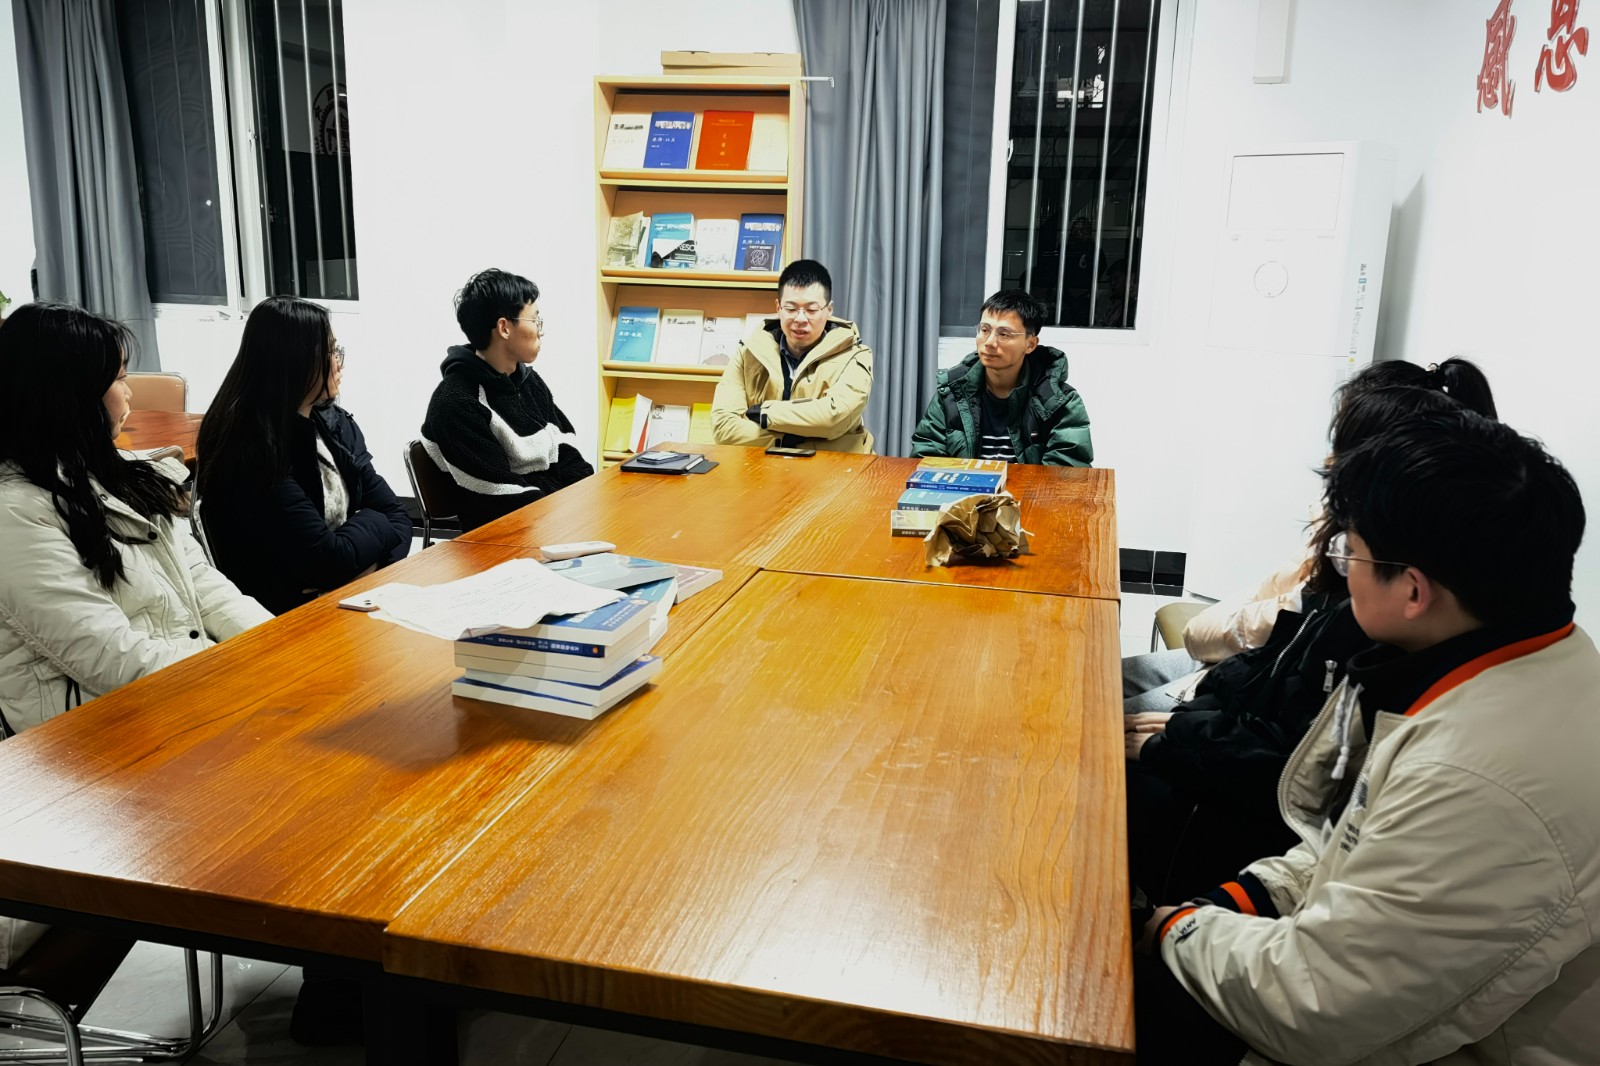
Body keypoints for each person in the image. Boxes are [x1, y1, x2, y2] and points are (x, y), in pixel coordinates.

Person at [1137, 410, 1600, 1066]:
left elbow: (1314, 1003)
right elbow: (1350, 849)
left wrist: (1170, 930)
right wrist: (1237, 902)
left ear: (1413, 590)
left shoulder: (1478, 777)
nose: (1342, 566)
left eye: (1350, 550)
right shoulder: (1499, 660)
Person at [0, 302, 271, 967]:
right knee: (311, 779)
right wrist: (237, 681)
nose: (130, 392)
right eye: (118, 378)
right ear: (69, 397)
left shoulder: (114, 474)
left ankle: (345, 984)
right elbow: (109, 658)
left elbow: (205, 585)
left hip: (165, 704)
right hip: (90, 748)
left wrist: (278, 651)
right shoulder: (15, 512)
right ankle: (344, 982)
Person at [1122, 357, 1498, 716]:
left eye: (1343, 447)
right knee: (1111, 683)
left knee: (1108, 713)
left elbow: (1292, 704)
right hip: (1249, 673)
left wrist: (1179, 731)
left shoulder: (1377, 580)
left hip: (1251, 683)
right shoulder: (1354, 535)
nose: (1330, 462)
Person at [196, 297, 410, 616]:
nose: (339, 363)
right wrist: (374, 525)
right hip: (284, 617)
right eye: (332, 352)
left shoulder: (333, 424)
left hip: (345, 597)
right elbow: (327, 560)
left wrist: (366, 571)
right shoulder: (252, 449)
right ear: (297, 360)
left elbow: (398, 516)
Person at [421, 268, 593, 532]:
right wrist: (566, 503)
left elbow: (569, 454)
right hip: (503, 538)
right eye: (534, 320)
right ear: (504, 328)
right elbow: (499, 496)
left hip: (553, 522)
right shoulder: (456, 402)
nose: (540, 331)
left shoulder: (528, 382)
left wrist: (580, 500)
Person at [910, 289, 1092, 465]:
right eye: (984, 330)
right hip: (964, 486)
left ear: (1030, 344)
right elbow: (926, 459)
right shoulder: (951, 393)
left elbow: (1066, 474)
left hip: (1028, 488)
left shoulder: (1058, 402)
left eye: (1003, 334)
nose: (989, 342)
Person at [711, 259, 875, 453]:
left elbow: (833, 419)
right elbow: (723, 428)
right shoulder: (748, 352)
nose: (800, 318)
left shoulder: (855, 355)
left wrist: (765, 414)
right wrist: (802, 436)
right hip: (764, 467)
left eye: (811, 310)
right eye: (790, 309)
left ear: (829, 310)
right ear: (778, 307)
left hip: (837, 467)